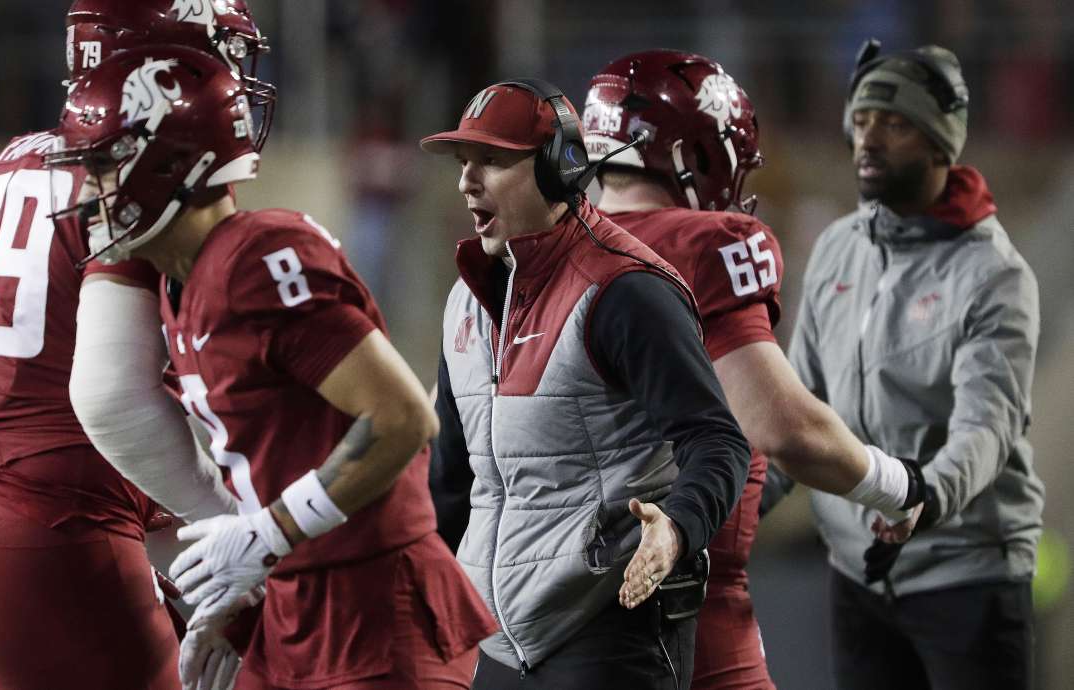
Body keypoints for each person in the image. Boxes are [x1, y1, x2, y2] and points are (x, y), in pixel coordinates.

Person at [49, 45, 497, 690]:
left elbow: (401, 417)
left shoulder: (259, 258)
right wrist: (252, 585)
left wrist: (271, 535)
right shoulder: (181, 283)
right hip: (295, 601)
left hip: (372, 605)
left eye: (102, 166)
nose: (87, 190)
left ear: (174, 163)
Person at [0, 3, 271, 689]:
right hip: (51, 546)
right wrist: (236, 534)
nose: (226, 77)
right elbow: (111, 400)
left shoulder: (9, 160)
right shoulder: (139, 169)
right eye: (209, 54)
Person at [582, 50, 930, 689]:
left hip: (539, 620)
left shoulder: (540, 251)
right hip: (683, 620)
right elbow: (780, 426)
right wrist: (894, 483)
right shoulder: (707, 240)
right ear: (703, 154)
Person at [422, 78, 751, 690]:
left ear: (557, 169)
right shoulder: (464, 303)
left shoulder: (625, 291)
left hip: (608, 625)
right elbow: (451, 480)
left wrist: (675, 530)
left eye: (491, 160)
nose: (468, 179)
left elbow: (718, 442)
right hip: (494, 640)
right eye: (464, 162)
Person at [787, 40, 1043, 689]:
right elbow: (797, 405)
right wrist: (734, 504)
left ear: (939, 144)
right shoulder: (839, 249)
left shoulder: (993, 275)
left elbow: (987, 428)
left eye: (895, 123)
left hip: (966, 578)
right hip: (857, 573)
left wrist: (925, 496)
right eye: (864, 119)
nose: (868, 137)